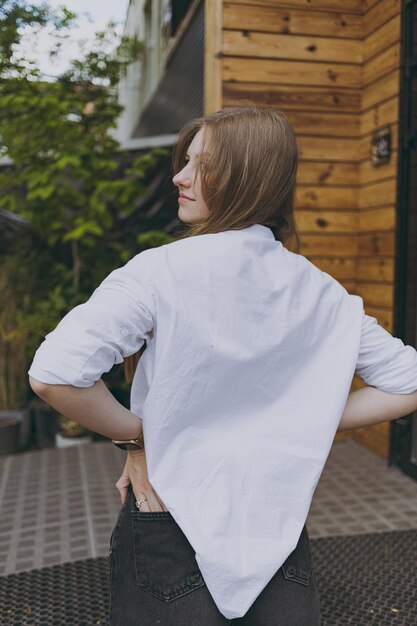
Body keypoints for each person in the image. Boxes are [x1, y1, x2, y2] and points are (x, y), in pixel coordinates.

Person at [28, 105, 417, 626]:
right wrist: (297, 414)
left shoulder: (158, 271)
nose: (179, 176)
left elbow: (54, 374)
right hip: (273, 528)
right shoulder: (318, 290)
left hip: (167, 515)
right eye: (184, 161)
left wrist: (139, 436)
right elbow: (407, 384)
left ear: (249, 178)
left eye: (200, 164)